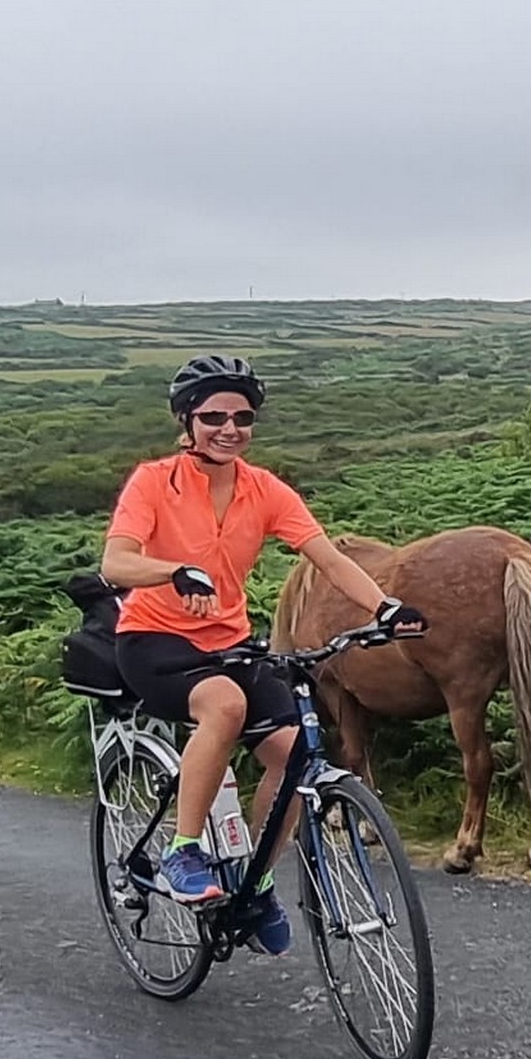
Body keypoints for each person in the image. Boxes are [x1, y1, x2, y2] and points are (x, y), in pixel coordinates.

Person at [100, 354, 425, 952]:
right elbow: (115, 562)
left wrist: (382, 607)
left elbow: (325, 555)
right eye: (214, 416)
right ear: (187, 420)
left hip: (227, 641)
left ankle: (255, 881)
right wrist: (175, 572)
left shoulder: (263, 489)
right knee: (222, 706)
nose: (230, 428)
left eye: (242, 417)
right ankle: (184, 851)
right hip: (154, 641)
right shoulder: (154, 481)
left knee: (298, 754)